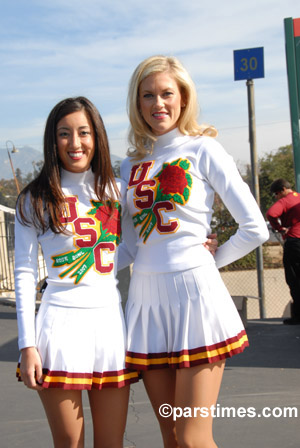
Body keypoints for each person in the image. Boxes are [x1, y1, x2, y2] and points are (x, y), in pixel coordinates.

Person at [119, 55, 269, 448]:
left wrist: (206, 259)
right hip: (146, 305)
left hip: (196, 300)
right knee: (170, 437)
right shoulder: (128, 166)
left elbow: (255, 228)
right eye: (147, 95)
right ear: (137, 103)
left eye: (167, 93)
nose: (158, 104)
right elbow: (131, 245)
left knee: (192, 438)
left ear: (183, 98)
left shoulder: (204, 149)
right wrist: (76, 277)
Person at [14, 96, 140, 448]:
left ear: (96, 136)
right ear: (52, 140)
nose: (75, 142)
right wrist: (28, 345)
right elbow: (24, 274)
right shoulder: (34, 198)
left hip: (109, 325)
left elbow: (136, 245)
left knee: (111, 443)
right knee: (70, 443)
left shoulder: (117, 189)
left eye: (83, 132)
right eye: (64, 133)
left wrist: (96, 268)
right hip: (58, 327)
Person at [266, 178, 300, 325]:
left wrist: (280, 229)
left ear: (283, 190)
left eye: (276, 194)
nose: (276, 197)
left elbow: (271, 214)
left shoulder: (285, 201)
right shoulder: (298, 198)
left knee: (294, 280)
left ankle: (298, 316)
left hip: (294, 242)